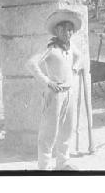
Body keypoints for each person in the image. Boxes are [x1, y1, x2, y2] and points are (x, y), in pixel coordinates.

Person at [26, 9, 83, 170]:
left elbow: (79, 57)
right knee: (48, 132)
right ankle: (44, 167)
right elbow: (31, 64)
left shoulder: (71, 46)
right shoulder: (50, 47)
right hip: (54, 95)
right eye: (64, 29)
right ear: (57, 30)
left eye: (70, 29)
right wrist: (47, 81)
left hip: (69, 93)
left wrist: (75, 68)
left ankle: (63, 163)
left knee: (67, 129)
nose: (68, 33)